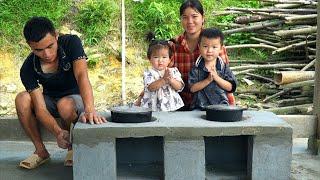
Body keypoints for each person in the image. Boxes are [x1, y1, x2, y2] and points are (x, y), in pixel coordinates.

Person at [15, 16, 106, 169]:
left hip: (75, 99)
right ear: (29, 46)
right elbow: (41, 109)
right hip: (51, 100)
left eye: (50, 46)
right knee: (22, 98)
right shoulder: (27, 68)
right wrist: (57, 132)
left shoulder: (71, 42)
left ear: (56, 36)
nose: (47, 54)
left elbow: (82, 75)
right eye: (38, 50)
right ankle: (41, 151)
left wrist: (90, 108)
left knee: (65, 105)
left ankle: (72, 148)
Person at [169, 0, 235, 110]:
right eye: (185, 17)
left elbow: (225, 78)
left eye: (194, 16)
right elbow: (163, 74)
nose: (190, 21)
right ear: (181, 19)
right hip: (179, 104)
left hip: (211, 104)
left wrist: (231, 107)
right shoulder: (174, 45)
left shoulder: (216, 46)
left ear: (203, 18)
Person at [188, 28, 237, 110]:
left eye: (214, 47)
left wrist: (216, 78)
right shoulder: (196, 67)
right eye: (205, 46)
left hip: (221, 106)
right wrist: (208, 80)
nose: (209, 50)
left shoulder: (223, 67)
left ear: (221, 48)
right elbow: (192, 89)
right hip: (199, 107)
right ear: (199, 47)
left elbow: (231, 87)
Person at [140, 33, 184, 111]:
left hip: (172, 107)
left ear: (170, 59)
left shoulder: (173, 71)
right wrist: (163, 80)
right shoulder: (149, 73)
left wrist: (171, 80)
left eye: (164, 57)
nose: (160, 60)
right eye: (156, 57)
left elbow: (180, 87)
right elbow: (150, 87)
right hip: (153, 107)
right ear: (149, 59)